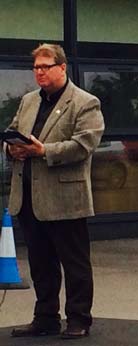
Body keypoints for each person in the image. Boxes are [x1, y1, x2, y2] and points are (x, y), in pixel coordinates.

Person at [4, 44, 104, 339]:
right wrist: (12, 149)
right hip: (28, 197)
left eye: (46, 66)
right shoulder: (28, 101)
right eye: (36, 67)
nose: (40, 72)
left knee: (74, 263)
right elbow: (11, 131)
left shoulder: (85, 102)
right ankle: (45, 317)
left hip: (65, 198)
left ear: (62, 67)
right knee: (40, 263)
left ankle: (79, 319)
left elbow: (84, 145)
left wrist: (42, 150)